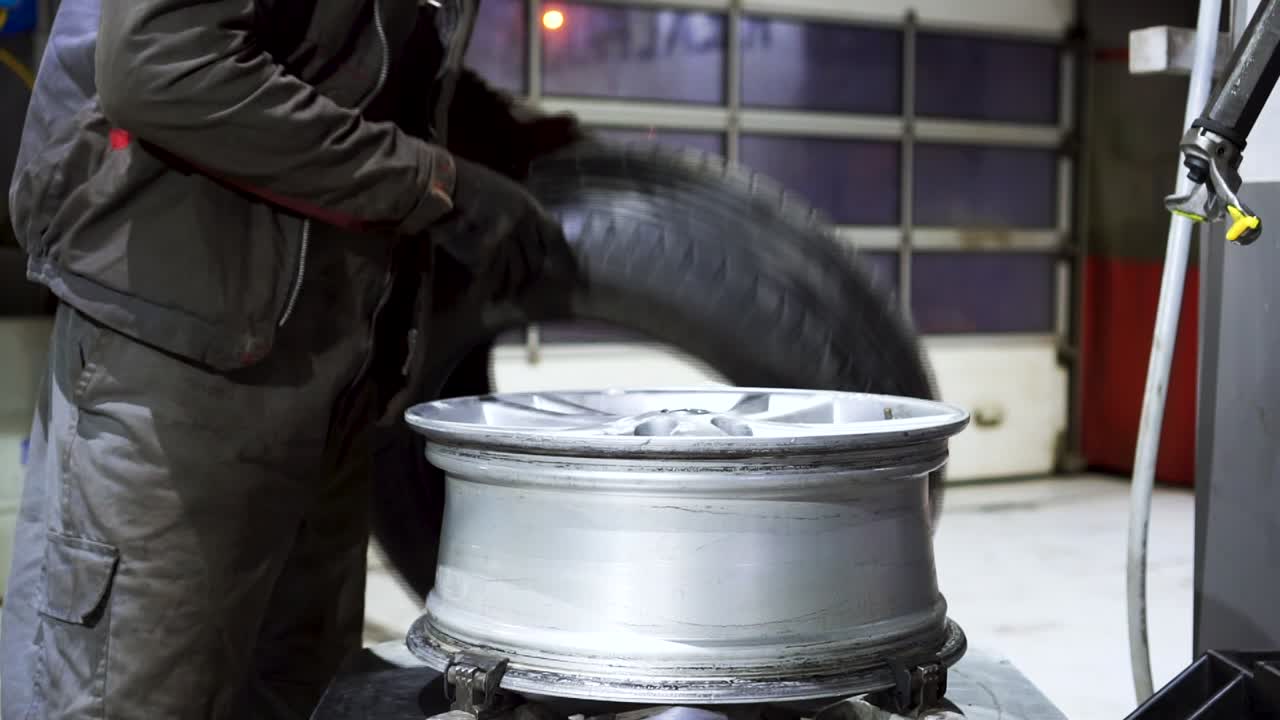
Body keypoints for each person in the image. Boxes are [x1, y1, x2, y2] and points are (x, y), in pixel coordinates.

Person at [0, 0, 582, 716]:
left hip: (334, 366)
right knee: (129, 694)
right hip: (177, 365)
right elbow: (161, 64)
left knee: (299, 695)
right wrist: (433, 185)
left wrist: (489, 135)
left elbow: (339, 56)